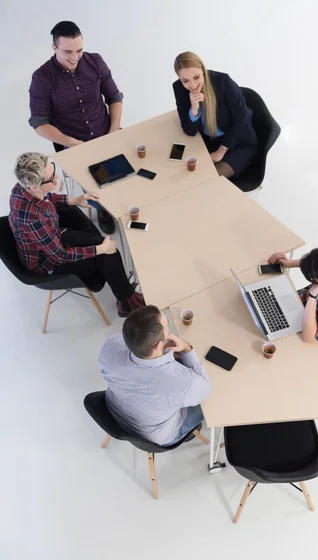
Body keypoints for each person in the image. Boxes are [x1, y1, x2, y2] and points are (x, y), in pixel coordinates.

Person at [9, 152, 144, 318]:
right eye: (52, 178)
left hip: (52, 237)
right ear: (35, 186)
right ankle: (127, 302)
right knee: (108, 254)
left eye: (54, 171)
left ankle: (126, 298)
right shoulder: (32, 220)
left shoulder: (21, 189)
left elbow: (46, 197)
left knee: (107, 249)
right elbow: (59, 256)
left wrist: (75, 200)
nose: (57, 178)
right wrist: (99, 250)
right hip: (48, 263)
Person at [28, 21, 123, 234]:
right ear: (54, 48)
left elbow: (114, 97)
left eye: (79, 50)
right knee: (96, 182)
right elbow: (39, 123)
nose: (75, 57)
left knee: (126, 170)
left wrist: (114, 129)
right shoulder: (42, 78)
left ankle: (123, 199)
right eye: (68, 51)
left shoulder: (95, 61)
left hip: (106, 131)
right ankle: (102, 210)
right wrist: (72, 144)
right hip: (73, 143)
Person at [99, 305, 212, 446]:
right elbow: (206, 388)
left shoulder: (110, 346)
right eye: (167, 326)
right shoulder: (185, 384)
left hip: (115, 410)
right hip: (157, 435)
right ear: (158, 346)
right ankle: (187, 431)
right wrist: (186, 348)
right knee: (212, 403)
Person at [173, 51, 258, 179]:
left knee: (207, 179)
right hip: (208, 142)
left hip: (237, 142)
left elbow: (242, 120)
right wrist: (194, 109)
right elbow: (189, 131)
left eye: (196, 77)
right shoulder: (179, 88)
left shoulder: (224, 82)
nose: (193, 85)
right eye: (185, 81)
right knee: (182, 173)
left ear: (202, 69)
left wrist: (221, 150)